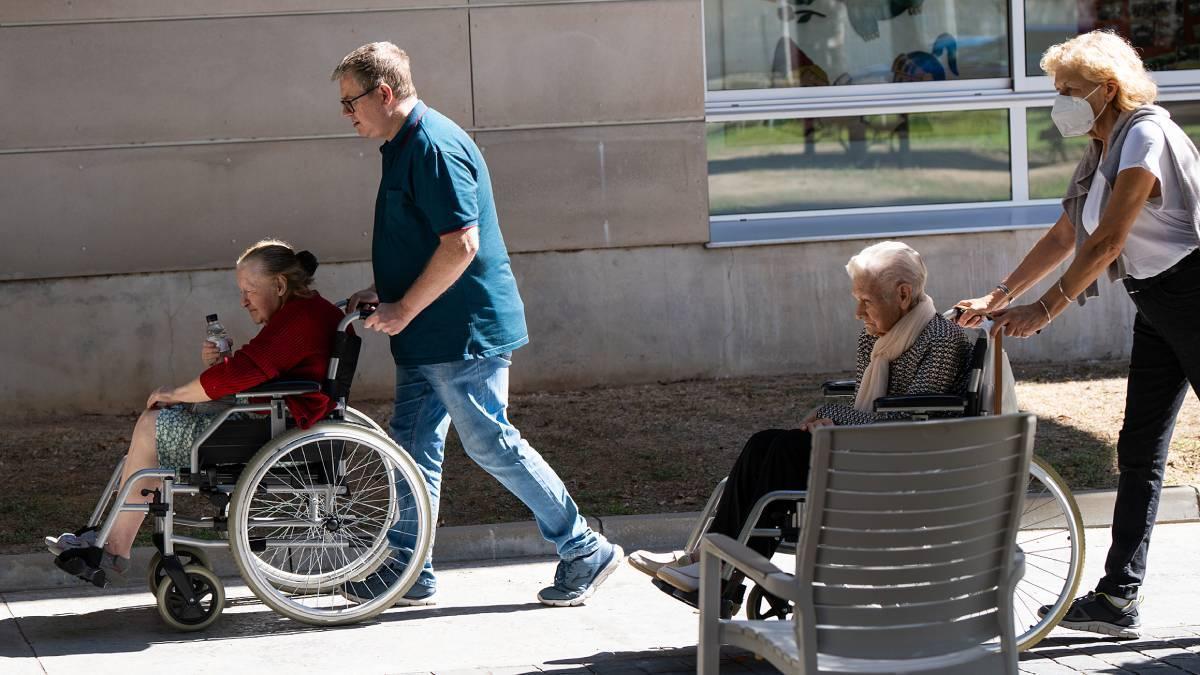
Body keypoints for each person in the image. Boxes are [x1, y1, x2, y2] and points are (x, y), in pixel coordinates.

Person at [331, 42, 621, 607]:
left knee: (492, 444)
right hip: (424, 333)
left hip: (460, 332)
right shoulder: (402, 142)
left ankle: (584, 547)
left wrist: (404, 307)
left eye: (351, 102)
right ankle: (410, 568)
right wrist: (386, 293)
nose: (346, 114)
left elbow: (462, 244)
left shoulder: (432, 146)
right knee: (413, 451)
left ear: (385, 93)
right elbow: (425, 237)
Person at [956, 31, 1200, 639]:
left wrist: (1047, 308)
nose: (1058, 100)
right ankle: (1119, 598)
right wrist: (1002, 295)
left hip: (1194, 292)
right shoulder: (1101, 147)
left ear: (1107, 90)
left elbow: (1109, 241)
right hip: (1159, 300)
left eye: (1068, 90)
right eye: (1055, 89)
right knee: (1139, 446)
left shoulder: (1143, 134)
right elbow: (1067, 234)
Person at [631, 241, 971, 597]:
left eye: (866, 301)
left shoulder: (940, 338)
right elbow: (865, 407)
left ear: (903, 295)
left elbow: (908, 424)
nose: (858, 311)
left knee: (783, 452)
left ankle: (717, 573)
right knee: (764, 443)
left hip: (900, 461)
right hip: (868, 446)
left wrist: (831, 417)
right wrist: (835, 421)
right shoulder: (877, 336)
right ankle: (706, 561)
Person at [46, 240, 346, 584]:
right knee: (154, 429)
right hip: (275, 420)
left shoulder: (299, 319)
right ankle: (108, 541)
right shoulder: (305, 313)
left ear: (279, 285)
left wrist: (177, 392)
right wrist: (219, 368)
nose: (243, 300)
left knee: (151, 426)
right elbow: (253, 370)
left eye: (249, 290)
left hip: (278, 429)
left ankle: (113, 546)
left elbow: (240, 375)